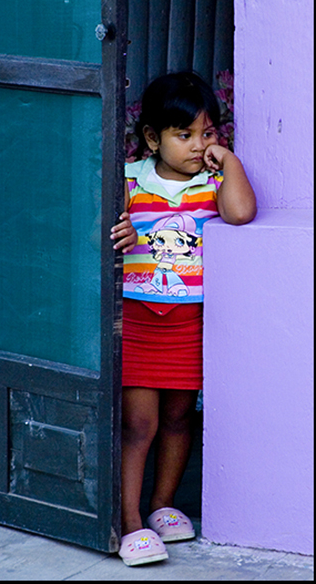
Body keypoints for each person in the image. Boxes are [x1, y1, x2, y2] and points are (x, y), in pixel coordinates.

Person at [110, 71, 256, 566]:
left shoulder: (213, 182)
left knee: (178, 417)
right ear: (152, 138)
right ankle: (128, 520)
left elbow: (239, 213)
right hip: (138, 322)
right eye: (184, 135)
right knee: (140, 423)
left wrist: (228, 161)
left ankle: (162, 506)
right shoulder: (129, 180)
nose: (199, 146)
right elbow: (92, 234)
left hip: (189, 327)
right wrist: (118, 235)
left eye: (208, 134)